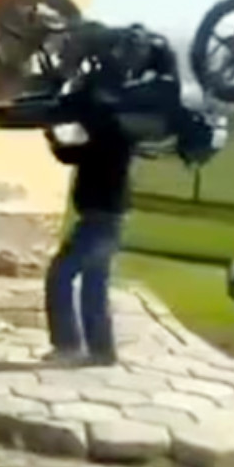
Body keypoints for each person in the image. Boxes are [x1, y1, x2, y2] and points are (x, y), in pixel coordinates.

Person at [43, 115, 134, 366]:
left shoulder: (106, 139)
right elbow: (73, 154)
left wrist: (50, 131)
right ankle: (102, 351)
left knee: (59, 276)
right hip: (111, 221)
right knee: (94, 285)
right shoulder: (119, 138)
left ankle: (68, 345)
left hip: (97, 222)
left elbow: (70, 155)